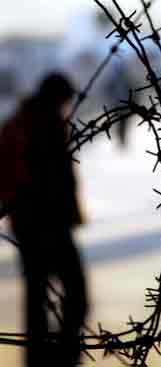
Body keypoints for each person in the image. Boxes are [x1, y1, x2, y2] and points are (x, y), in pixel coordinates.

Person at [0, 73, 88, 367]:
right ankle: (60, 353)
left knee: (37, 292)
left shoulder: (22, 122)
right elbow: (54, 177)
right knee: (72, 290)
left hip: (31, 222)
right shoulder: (39, 124)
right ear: (56, 97)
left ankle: (41, 354)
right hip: (45, 222)